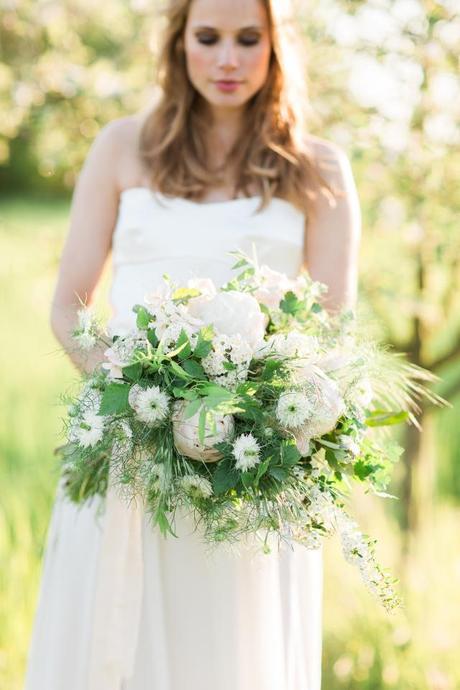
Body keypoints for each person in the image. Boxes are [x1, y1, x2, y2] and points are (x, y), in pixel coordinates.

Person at [23, 0, 361, 688]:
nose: (228, 60)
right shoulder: (122, 147)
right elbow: (69, 307)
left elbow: (331, 335)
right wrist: (141, 403)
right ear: (179, 44)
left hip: (250, 475)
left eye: (247, 39)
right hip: (127, 452)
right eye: (208, 39)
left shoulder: (318, 168)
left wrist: (256, 420)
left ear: (275, 45)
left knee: (229, 654)